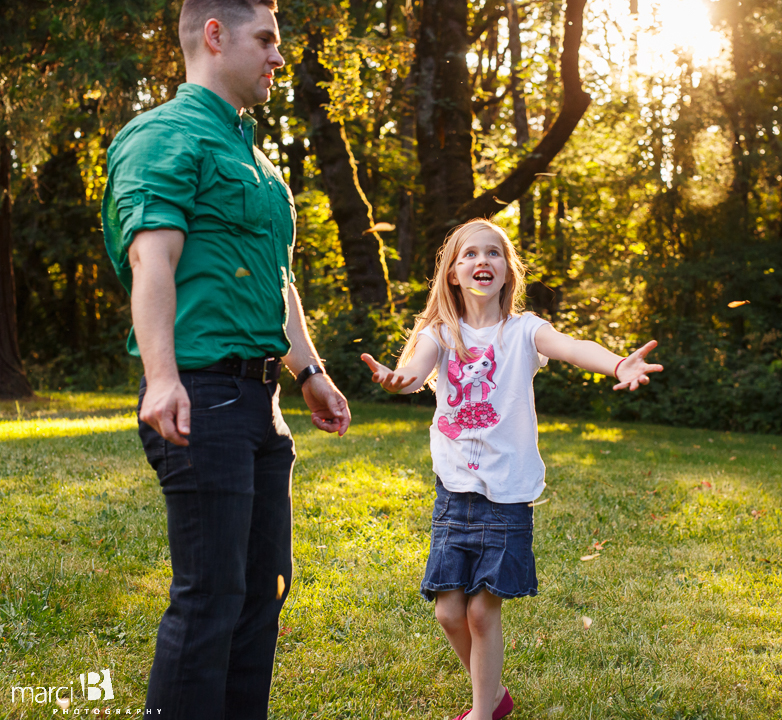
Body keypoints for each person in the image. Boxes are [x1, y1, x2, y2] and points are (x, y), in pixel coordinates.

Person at [102, 1, 350, 718]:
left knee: (263, 588)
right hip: (200, 396)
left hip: (260, 406)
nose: (279, 57)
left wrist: (310, 372)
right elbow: (154, 260)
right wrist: (161, 378)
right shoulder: (162, 137)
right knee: (211, 597)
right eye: (267, 40)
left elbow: (278, 281)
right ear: (215, 36)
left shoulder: (257, 162)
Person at [360, 219, 663, 720]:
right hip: (454, 494)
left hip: (505, 497)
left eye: (494, 253)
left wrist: (615, 364)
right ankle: (495, 696)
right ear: (453, 274)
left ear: (508, 271)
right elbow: (415, 370)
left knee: (482, 611)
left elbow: (572, 347)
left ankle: (483, 712)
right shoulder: (442, 332)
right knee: (448, 611)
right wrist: (400, 381)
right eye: (470, 255)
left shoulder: (524, 331)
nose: (483, 261)